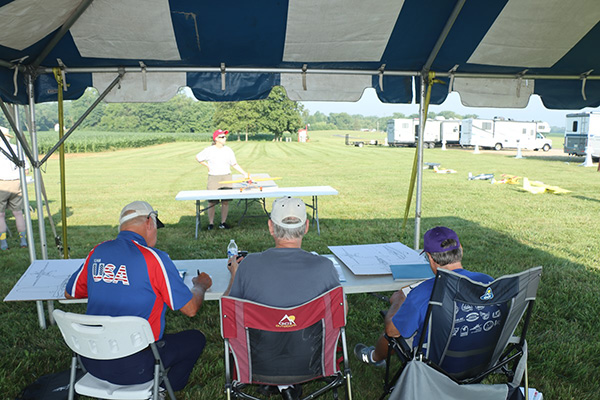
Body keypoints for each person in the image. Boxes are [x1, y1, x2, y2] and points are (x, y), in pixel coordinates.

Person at [64, 200, 213, 393]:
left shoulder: (98, 251)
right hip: (136, 368)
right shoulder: (154, 258)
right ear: (149, 222)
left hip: (91, 360)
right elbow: (191, 309)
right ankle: (164, 388)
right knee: (195, 339)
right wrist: (200, 286)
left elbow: (71, 292)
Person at [224, 196, 341, 400]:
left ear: (271, 227)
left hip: (258, 360)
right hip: (311, 359)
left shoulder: (249, 266)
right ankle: (287, 386)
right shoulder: (325, 267)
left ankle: (280, 385)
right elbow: (341, 314)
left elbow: (227, 317)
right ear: (305, 227)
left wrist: (235, 276)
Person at [354, 226, 502, 375]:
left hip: (436, 366)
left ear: (430, 258)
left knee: (394, 331)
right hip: (482, 359)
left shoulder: (424, 292)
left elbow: (392, 330)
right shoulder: (487, 282)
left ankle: (374, 357)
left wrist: (398, 300)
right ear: (461, 249)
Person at [195, 129, 248, 230]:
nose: (225, 138)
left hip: (226, 177)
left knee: (225, 202)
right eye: (222, 137)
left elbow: (234, 164)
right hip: (213, 178)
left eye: (225, 136)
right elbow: (198, 158)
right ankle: (211, 223)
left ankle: (223, 223)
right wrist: (206, 165)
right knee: (211, 202)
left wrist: (244, 173)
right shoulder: (209, 150)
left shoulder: (228, 150)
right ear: (216, 139)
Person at [0, 126, 28, 250]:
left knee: (0, 215)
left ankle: (3, 243)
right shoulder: (17, 148)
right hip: (16, 183)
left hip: (2, 183)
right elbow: (26, 170)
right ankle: (23, 241)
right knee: (18, 213)